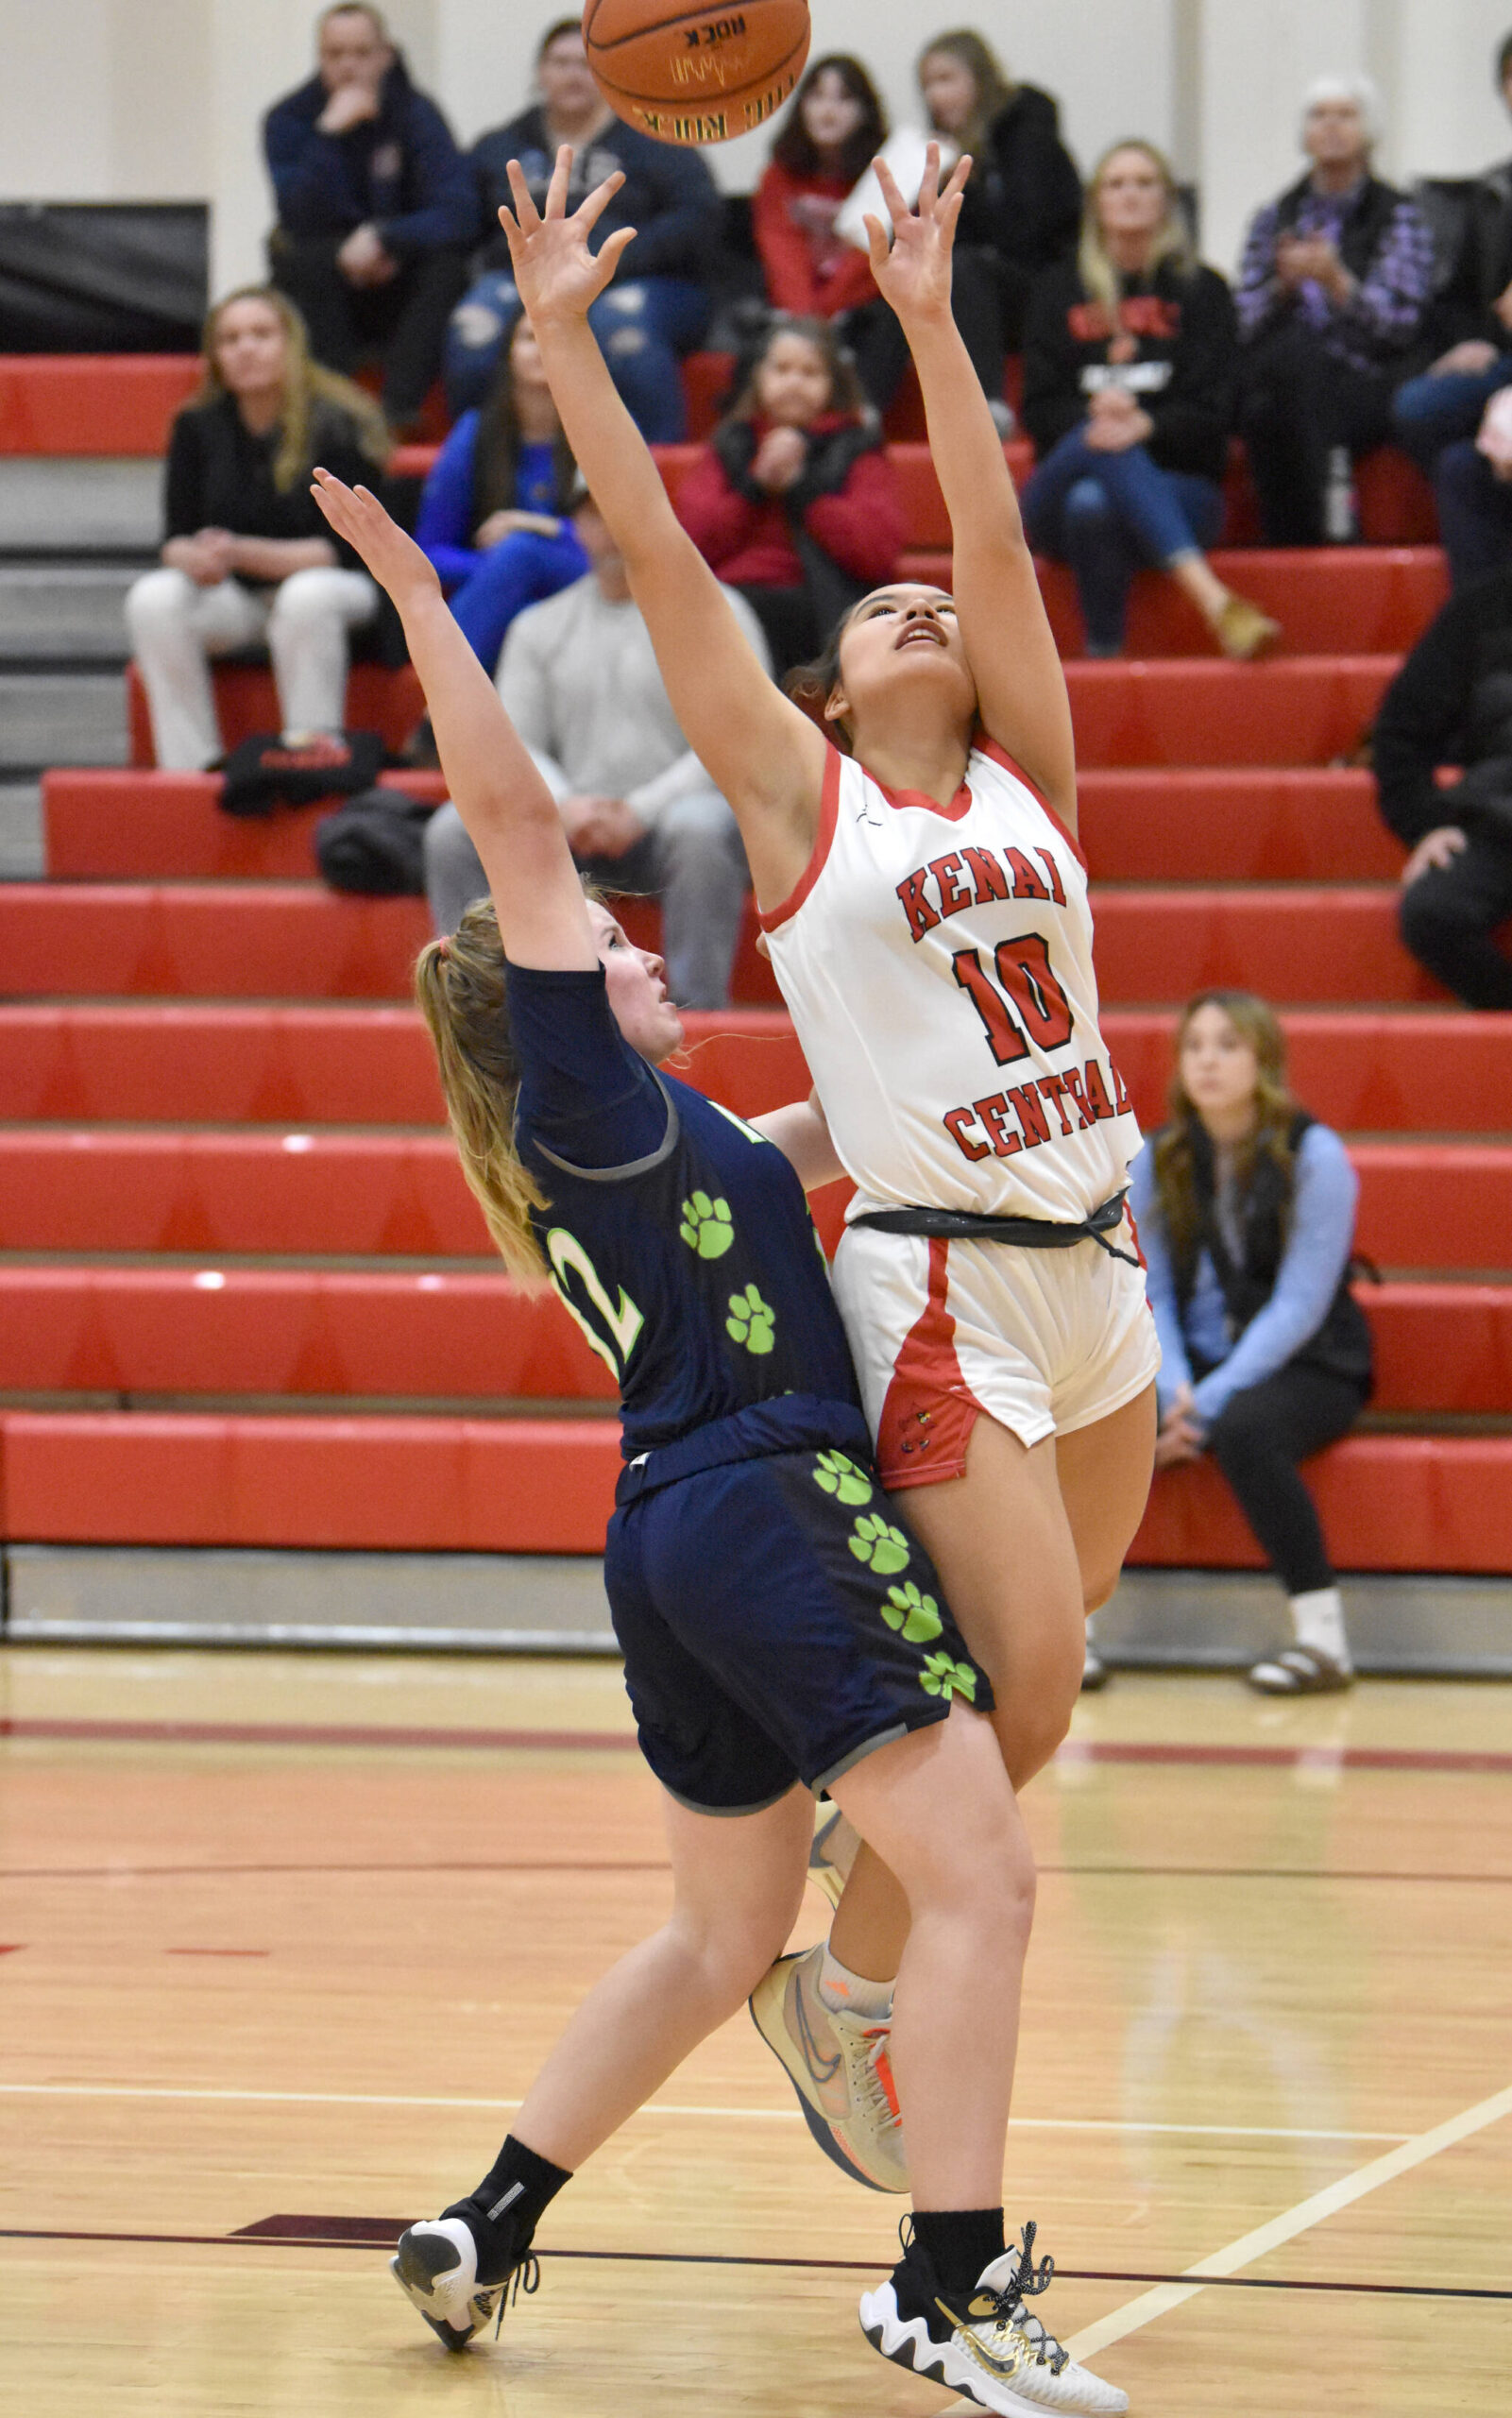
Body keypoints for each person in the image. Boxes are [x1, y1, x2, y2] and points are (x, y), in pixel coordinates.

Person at [308, 464, 1126, 2418]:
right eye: (609, 937)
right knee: (985, 1874)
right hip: (764, 1508)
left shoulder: (686, 1151)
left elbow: (876, 1125)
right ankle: (944, 2275)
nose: (641, 946)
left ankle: (487, 2214)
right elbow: (505, 813)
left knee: (715, 1931)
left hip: (666, 1538)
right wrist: (426, 600)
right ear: (554, 995)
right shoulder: (582, 1088)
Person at [492, 143, 1159, 2398]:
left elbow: (984, 530)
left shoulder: (1027, 782)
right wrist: (573, 351)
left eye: (930, 616)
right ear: (827, 668)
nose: (914, 618)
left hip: (1099, 1266)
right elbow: (672, 560)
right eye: (872, 612)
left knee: (1044, 1701)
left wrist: (932, 312)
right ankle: (880, 2064)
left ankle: (830, 1981)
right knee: (1010, 1694)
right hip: (945, 1286)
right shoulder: (808, 813)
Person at [425, 479, 766, 1009]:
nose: (608, 528)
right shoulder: (538, 625)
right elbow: (516, 744)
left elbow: (741, 740)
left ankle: (699, 1014)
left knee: (698, 826)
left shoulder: (718, 612)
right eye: (592, 514)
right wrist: (562, 808)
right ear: (577, 528)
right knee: (453, 830)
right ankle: (482, 1014)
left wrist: (640, 810)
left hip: (674, 826)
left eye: (620, 509)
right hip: (565, 833)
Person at [1126, 992, 1370, 1694]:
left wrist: (1200, 1404)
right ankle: (1069, 1641)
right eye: (1193, 1045)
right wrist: (1171, 1386)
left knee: (1246, 1429)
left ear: (1262, 1060)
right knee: (1099, 1413)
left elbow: (1298, 1304)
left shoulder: (1314, 1154)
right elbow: (1154, 1292)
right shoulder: (1158, 1156)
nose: (1206, 1060)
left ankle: (1324, 1645)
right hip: (1194, 1365)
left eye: (1226, 1044)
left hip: (1312, 1361)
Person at [1021, 140, 1279, 660]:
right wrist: (1091, 416)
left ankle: (1104, 652)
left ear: (1166, 200)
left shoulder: (1203, 291)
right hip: (1059, 483)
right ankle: (1213, 600)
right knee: (1093, 464)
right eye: (1116, 183)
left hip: (1182, 493)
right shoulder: (1055, 290)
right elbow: (1039, 408)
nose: (1130, 195)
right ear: (1096, 201)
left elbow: (1217, 409)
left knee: (1093, 504)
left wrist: (1147, 426)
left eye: (1144, 183)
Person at [125, 285, 389, 772]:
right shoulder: (196, 425)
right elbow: (175, 535)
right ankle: (189, 768)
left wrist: (239, 550)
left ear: (291, 344)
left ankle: (311, 757)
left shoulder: (338, 420)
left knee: (307, 596)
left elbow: (347, 547)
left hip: (341, 587)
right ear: (215, 355)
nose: (245, 348)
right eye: (230, 339)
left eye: (261, 335)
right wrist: (193, 557)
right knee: (153, 597)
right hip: (239, 598)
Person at [446, 17, 715, 434]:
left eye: (585, 64)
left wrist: (609, 262)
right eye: (560, 63)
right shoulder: (500, 145)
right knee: (474, 328)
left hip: (635, 281)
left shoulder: (654, 140)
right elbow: (464, 219)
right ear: (540, 72)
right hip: (523, 279)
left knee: (622, 332)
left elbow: (699, 214)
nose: (573, 75)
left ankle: (660, 474)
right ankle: (476, 465)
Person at [1234, 76, 1436, 545]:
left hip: (1365, 376)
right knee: (1275, 388)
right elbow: (1241, 320)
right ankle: (1306, 545)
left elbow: (1402, 326)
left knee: (1292, 392)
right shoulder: (1274, 216)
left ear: (1368, 131)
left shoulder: (1398, 214)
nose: (1331, 127)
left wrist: (1337, 282)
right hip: (1284, 375)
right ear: (1303, 134)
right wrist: (1282, 286)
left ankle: (1316, 540)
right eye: (1318, 115)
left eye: (1345, 115)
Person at [263, 3, 474, 436]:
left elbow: (459, 212)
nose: (348, 66)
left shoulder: (417, 115)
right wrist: (327, 136)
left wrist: (386, 239)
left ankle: (397, 409)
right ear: (320, 58)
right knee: (296, 259)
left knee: (450, 267)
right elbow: (294, 215)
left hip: (400, 276)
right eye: (335, 54)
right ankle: (338, 410)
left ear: (385, 55)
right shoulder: (288, 120)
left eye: (361, 53)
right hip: (329, 281)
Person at [673, 315, 906, 674]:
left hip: (825, 609)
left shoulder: (856, 447)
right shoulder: (731, 443)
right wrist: (754, 487)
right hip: (732, 603)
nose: (794, 383)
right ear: (759, 377)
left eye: (810, 373)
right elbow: (688, 545)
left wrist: (802, 489)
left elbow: (876, 551)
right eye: (781, 369)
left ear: (833, 384)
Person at [1371, 568, 1512, 1008]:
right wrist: (1425, 825)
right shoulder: (1481, 609)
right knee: (1432, 915)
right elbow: (1398, 733)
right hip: (1501, 821)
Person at [415, 314, 586, 671]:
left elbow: (630, 538)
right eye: (528, 337)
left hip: (589, 579)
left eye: (554, 336)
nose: (541, 348)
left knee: (521, 551)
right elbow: (430, 553)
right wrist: (502, 570)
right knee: (521, 607)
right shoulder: (475, 434)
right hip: (508, 597)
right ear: (508, 353)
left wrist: (540, 528)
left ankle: (440, 710)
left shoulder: (606, 428)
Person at [1392, 30, 1512, 475]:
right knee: (1424, 415)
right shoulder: (1492, 195)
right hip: (1506, 361)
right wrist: (1477, 341)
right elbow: (1465, 296)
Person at [753, 57, 900, 410]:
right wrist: (808, 324)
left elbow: (866, 259)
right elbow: (781, 256)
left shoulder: (883, 174)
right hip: (795, 309)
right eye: (817, 96)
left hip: (857, 310)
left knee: (890, 323)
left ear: (865, 111)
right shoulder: (778, 176)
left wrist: (826, 318)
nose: (828, 110)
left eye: (844, 98)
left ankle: (862, 422)